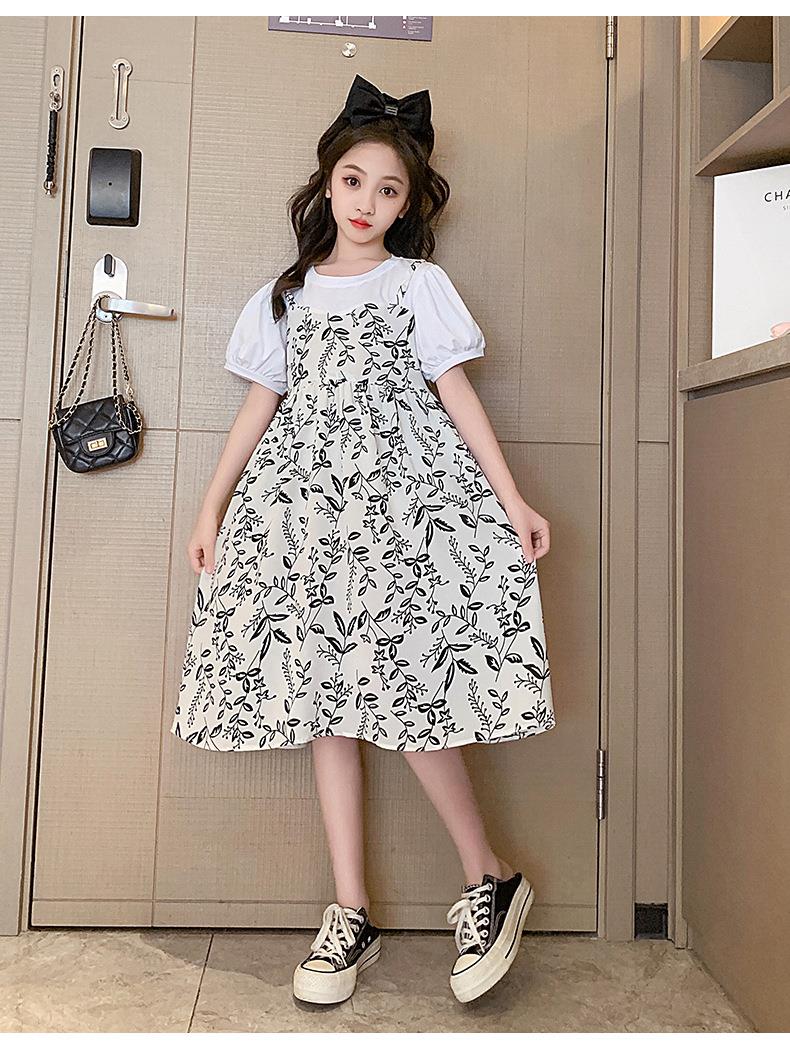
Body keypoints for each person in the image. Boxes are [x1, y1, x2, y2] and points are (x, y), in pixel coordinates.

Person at [170, 74, 556, 1007]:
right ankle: (351, 913)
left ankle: (490, 875)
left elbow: (456, 396)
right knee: (326, 709)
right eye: (353, 182)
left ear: (409, 205)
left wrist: (512, 499)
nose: (367, 204)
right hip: (308, 523)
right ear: (327, 184)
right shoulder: (287, 297)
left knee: (410, 691)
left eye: (388, 190)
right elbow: (260, 408)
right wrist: (213, 505)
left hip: (401, 518)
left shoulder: (418, 285)